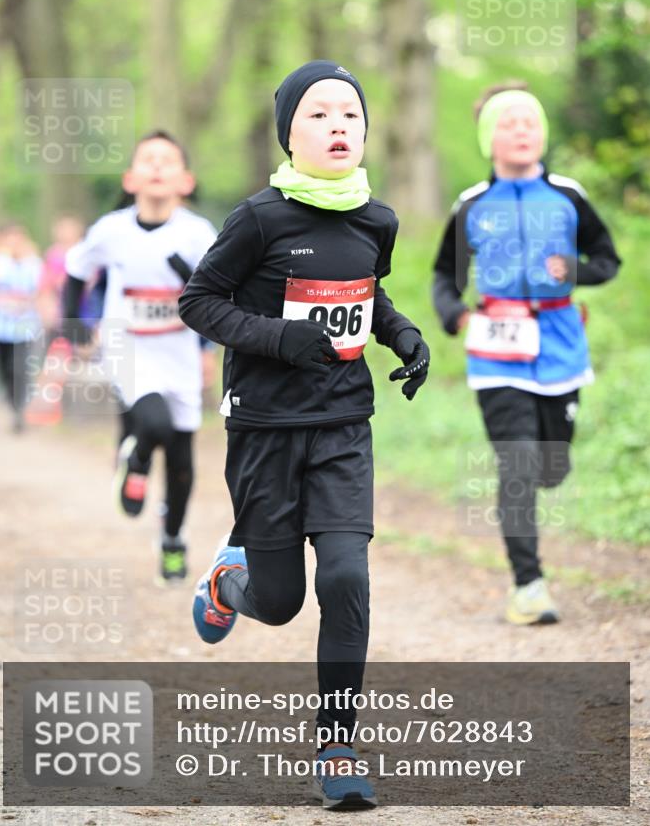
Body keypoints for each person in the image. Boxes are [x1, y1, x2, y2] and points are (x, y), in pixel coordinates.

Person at [179, 60, 430, 810]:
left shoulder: (375, 219)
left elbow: (366, 293)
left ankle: (338, 745)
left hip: (343, 424)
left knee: (346, 579)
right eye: (318, 115)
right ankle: (230, 580)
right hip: (262, 429)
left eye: (349, 115)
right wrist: (277, 338)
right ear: (289, 133)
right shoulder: (258, 218)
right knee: (283, 601)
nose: (337, 127)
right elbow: (199, 301)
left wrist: (403, 334)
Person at [432, 82, 621, 625]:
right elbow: (444, 276)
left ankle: (533, 549)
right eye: (508, 124)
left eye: (530, 123)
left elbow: (608, 259)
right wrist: (457, 315)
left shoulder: (567, 195)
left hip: (560, 345)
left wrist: (577, 270)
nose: (521, 132)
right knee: (516, 465)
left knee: (549, 466)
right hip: (496, 350)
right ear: (489, 138)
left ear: (542, 135)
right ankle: (528, 586)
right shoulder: (470, 204)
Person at [64, 130, 217, 584]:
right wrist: (76, 326)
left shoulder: (197, 233)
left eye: (166, 160)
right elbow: (76, 272)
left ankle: (172, 539)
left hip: (179, 349)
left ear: (185, 180)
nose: (155, 166)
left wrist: (206, 342)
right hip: (125, 344)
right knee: (154, 423)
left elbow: (216, 295)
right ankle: (135, 459)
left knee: (184, 461)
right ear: (130, 178)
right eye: (146, 160)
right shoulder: (111, 230)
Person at [0, 223, 43, 432]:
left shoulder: (33, 263)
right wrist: (3, 300)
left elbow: (42, 290)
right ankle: (12, 401)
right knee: (4, 369)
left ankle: (20, 408)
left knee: (20, 368)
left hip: (25, 326)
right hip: (1, 328)